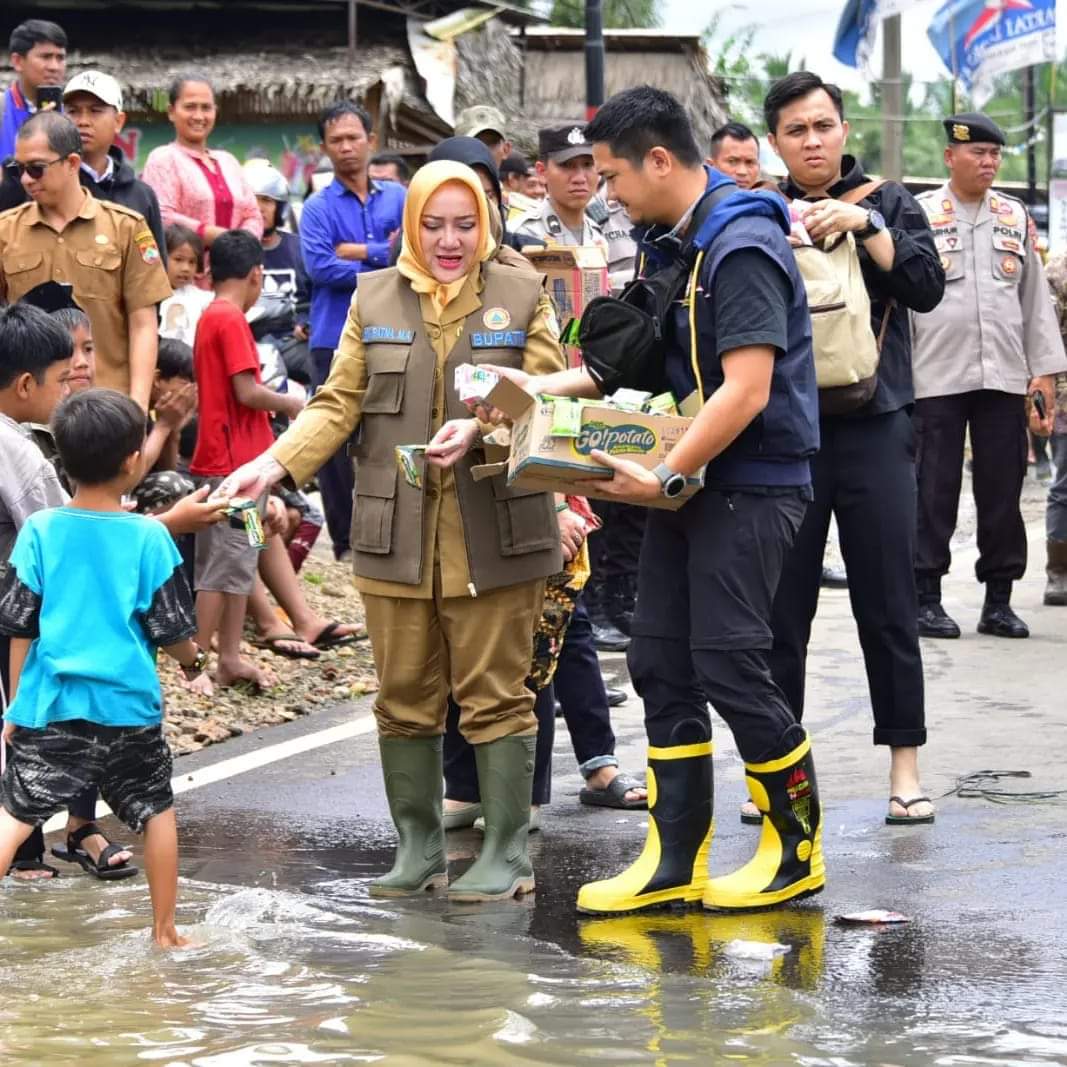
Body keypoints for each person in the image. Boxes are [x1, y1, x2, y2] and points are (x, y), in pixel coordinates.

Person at [472, 86, 824, 914]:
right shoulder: (678, 245)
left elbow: (744, 389)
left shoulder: (739, 246)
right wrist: (527, 384)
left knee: (732, 663)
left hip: (746, 484)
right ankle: (674, 856)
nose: (604, 192)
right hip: (684, 485)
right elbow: (624, 363)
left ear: (658, 160)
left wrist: (667, 477)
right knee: (662, 661)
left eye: (610, 175)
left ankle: (795, 847)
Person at [218, 160, 567, 902]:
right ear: (409, 225)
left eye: (464, 224)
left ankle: (507, 850)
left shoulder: (522, 291)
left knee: (495, 693)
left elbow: (546, 396)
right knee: (403, 692)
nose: (449, 240)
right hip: (395, 530)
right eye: (433, 224)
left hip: (496, 527)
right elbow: (337, 401)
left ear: (486, 223)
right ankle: (418, 848)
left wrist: (479, 428)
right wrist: (272, 467)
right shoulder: (373, 295)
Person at [763, 71, 945, 825]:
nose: (812, 140)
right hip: (783, 433)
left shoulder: (890, 200)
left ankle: (904, 767)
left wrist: (865, 227)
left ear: (844, 130)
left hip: (877, 423)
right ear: (774, 140)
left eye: (822, 125)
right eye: (795, 130)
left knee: (887, 599)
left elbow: (926, 288)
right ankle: (777, 772)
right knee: (780, 609)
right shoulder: (756, 210)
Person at [0, 387, 211, 948]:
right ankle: (166, 931)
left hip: (56, 706)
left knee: (16, 813)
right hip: (129, 709)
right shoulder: (148, 536)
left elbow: (20, 624)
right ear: (134, 461)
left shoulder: (41, 530)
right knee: (155, 812)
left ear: (60, 459)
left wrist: (19, 707)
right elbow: (172, 630)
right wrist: (196, 666)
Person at [911, 113, 1065, 640]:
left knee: (1003, 490)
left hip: (1002, 375)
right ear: (951, 157)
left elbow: (1034, 299)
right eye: (978, 152)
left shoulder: (1013, 216)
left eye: (995, 154)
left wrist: (1043, 374)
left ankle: (998, 599)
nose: (989, 162)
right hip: (935, 375)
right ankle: (925, 596)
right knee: (933, 488)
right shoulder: (920, 214)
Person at [188, 230, 302, 692]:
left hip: (244, 466)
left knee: (242, 557)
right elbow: (247, 391)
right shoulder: (229, 319)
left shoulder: (211, 315)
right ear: (256, 274)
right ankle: (195, 660)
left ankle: (230, 656)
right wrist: (293, 403)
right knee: (223, 563)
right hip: (236, 468)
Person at [0, 110, 171, 410]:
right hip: (28, 415)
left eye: (37, 169)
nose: (26, 180)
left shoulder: (125, 227)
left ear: (72, 164)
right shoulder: (5, 231)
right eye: (19, 170)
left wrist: (138, 407)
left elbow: (143, 324)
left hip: (106, 411)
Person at [299, 101, 405, 559]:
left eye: (353, 138)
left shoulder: (401, 197)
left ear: (371, 141)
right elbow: (321, 267)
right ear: (324, 148)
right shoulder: (316, 207)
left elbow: (414, 256)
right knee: (334, 441)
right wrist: (386, 254)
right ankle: (345, 542)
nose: (345, 147)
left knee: (392, 431)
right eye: (336, 140)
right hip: (331, 336)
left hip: (396, 331)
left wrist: (359, 250)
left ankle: (396, 532)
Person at [0, 303, 72, 881]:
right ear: (26, 384)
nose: (64, 393)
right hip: (12, 610)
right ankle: (22, 855)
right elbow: (54, 532)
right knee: (21, 721)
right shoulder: (18, 449)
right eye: (61, 380)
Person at [141, 74, 262, 261]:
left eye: (206, 108)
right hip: (186, 280)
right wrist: (218, 237)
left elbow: (253, 214)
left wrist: (241, 245)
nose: (199, 116)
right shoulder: (163, 159)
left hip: (237, 275)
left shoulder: (229, 162)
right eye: (190, 107)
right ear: (171, 111)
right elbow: (162, 218)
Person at [61, 71, 166, 253]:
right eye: (73, 111)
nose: (83, 121)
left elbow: (155, 272)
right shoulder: (50, 185)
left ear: (118, 121)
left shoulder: (142, 196)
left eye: (95, 111)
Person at [245, 162, 311, 383]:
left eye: (266, 200)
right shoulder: (232, 249)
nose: (259, 207)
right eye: (253, 200)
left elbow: (313, 296)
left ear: (280, 208)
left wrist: (306, 321)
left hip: (291, 340)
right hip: (246, 343)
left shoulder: (298, 248)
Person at [0, 20, 67, 161]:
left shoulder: (73, 113)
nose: (54, 67)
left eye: (60, 58)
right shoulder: (2, 110)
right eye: (46, 57)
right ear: (18, 61)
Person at [1042, 258, 1067, 606]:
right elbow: (1046, 335)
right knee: (1065, 487)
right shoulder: (1060, 270)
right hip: (1065, 398)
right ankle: (1058, 572)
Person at [160, 224, 212, 345]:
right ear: (162, 257)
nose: (186, 268)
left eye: (192, 262)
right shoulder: (149, 296)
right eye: (178, 259)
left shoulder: (200, 298)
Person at [708, 121, 761, 190]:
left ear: (758, 167)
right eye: (732, 161)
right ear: (711, 166)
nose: (742, 172)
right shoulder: (695, 199)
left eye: (750, 162)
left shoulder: (771, 199)